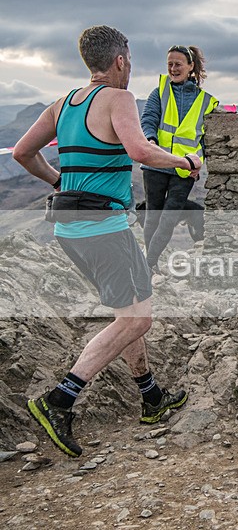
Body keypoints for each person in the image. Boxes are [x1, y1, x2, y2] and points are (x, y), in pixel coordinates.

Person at [13, 25, 197, 458]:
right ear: (119, 61)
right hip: (104, 226)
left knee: (125, 311)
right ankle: (60, 399)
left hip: (69, 227)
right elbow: (140, 151)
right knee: (138, 320)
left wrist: (60, 180)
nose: (130, 68)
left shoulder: (62, 104)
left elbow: (23, 152)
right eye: (128, 60)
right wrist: (185, 162)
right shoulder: (119, 99)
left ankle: (151, 397)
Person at [140, 44, 217, 272]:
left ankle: (148, 263)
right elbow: (148, 120)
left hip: (185, 168)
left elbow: (206, 139)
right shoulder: (159, 92)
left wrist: (199, 163)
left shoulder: (206, 101)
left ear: (191, 67)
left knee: (169, 218)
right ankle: (150, 264)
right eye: (170, 64)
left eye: (178, 64)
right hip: (155, 164)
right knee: (152, 217)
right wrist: (151, 142)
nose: (173, 69)